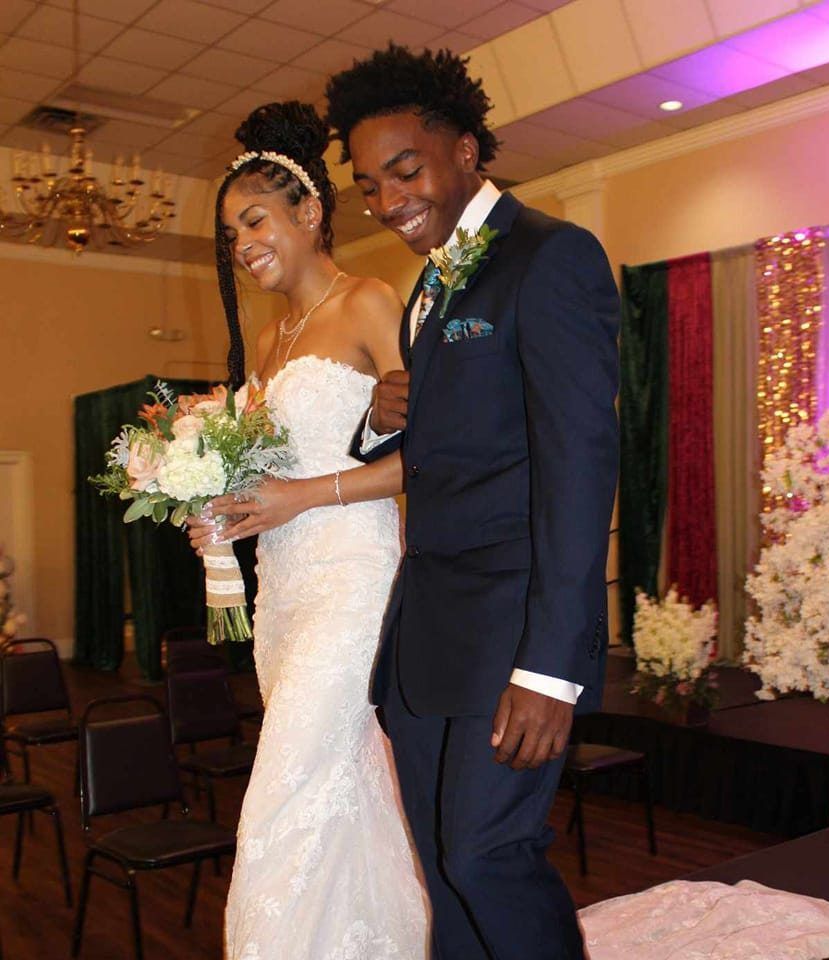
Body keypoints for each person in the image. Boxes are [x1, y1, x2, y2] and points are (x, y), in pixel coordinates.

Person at [323, 46, 620, 960]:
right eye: (369, 185)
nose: (386, 200)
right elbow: (453, 443)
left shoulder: (551, 257)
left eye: (404, 170)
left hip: (513, 631)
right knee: (444, 864)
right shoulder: (430, 283)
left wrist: (551, 668)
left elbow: (579, 466)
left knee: (491, 854)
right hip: (430, 634)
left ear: (465, 149)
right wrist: (381, 421)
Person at [187, 100, 427, 960]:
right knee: (341, 785)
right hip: (282, 590)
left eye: (253, 219)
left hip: (355, 581)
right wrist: (217, 503)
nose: (241, 243)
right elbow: (265, 482)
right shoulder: (265, 339)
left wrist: (301, 496)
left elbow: (430, 457)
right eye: (230, 233)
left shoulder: (369, 300)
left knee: (282, 790)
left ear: (309, 212)